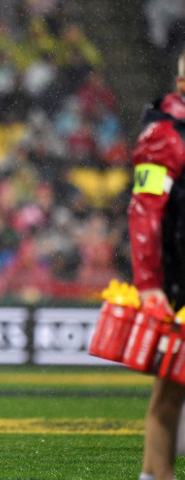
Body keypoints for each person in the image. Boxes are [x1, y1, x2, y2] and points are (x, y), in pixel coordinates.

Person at [129, 52, 185, 480]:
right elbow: (145, 211)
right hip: (180, 278)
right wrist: (149, 283)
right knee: (170, 391)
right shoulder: (166, 135)